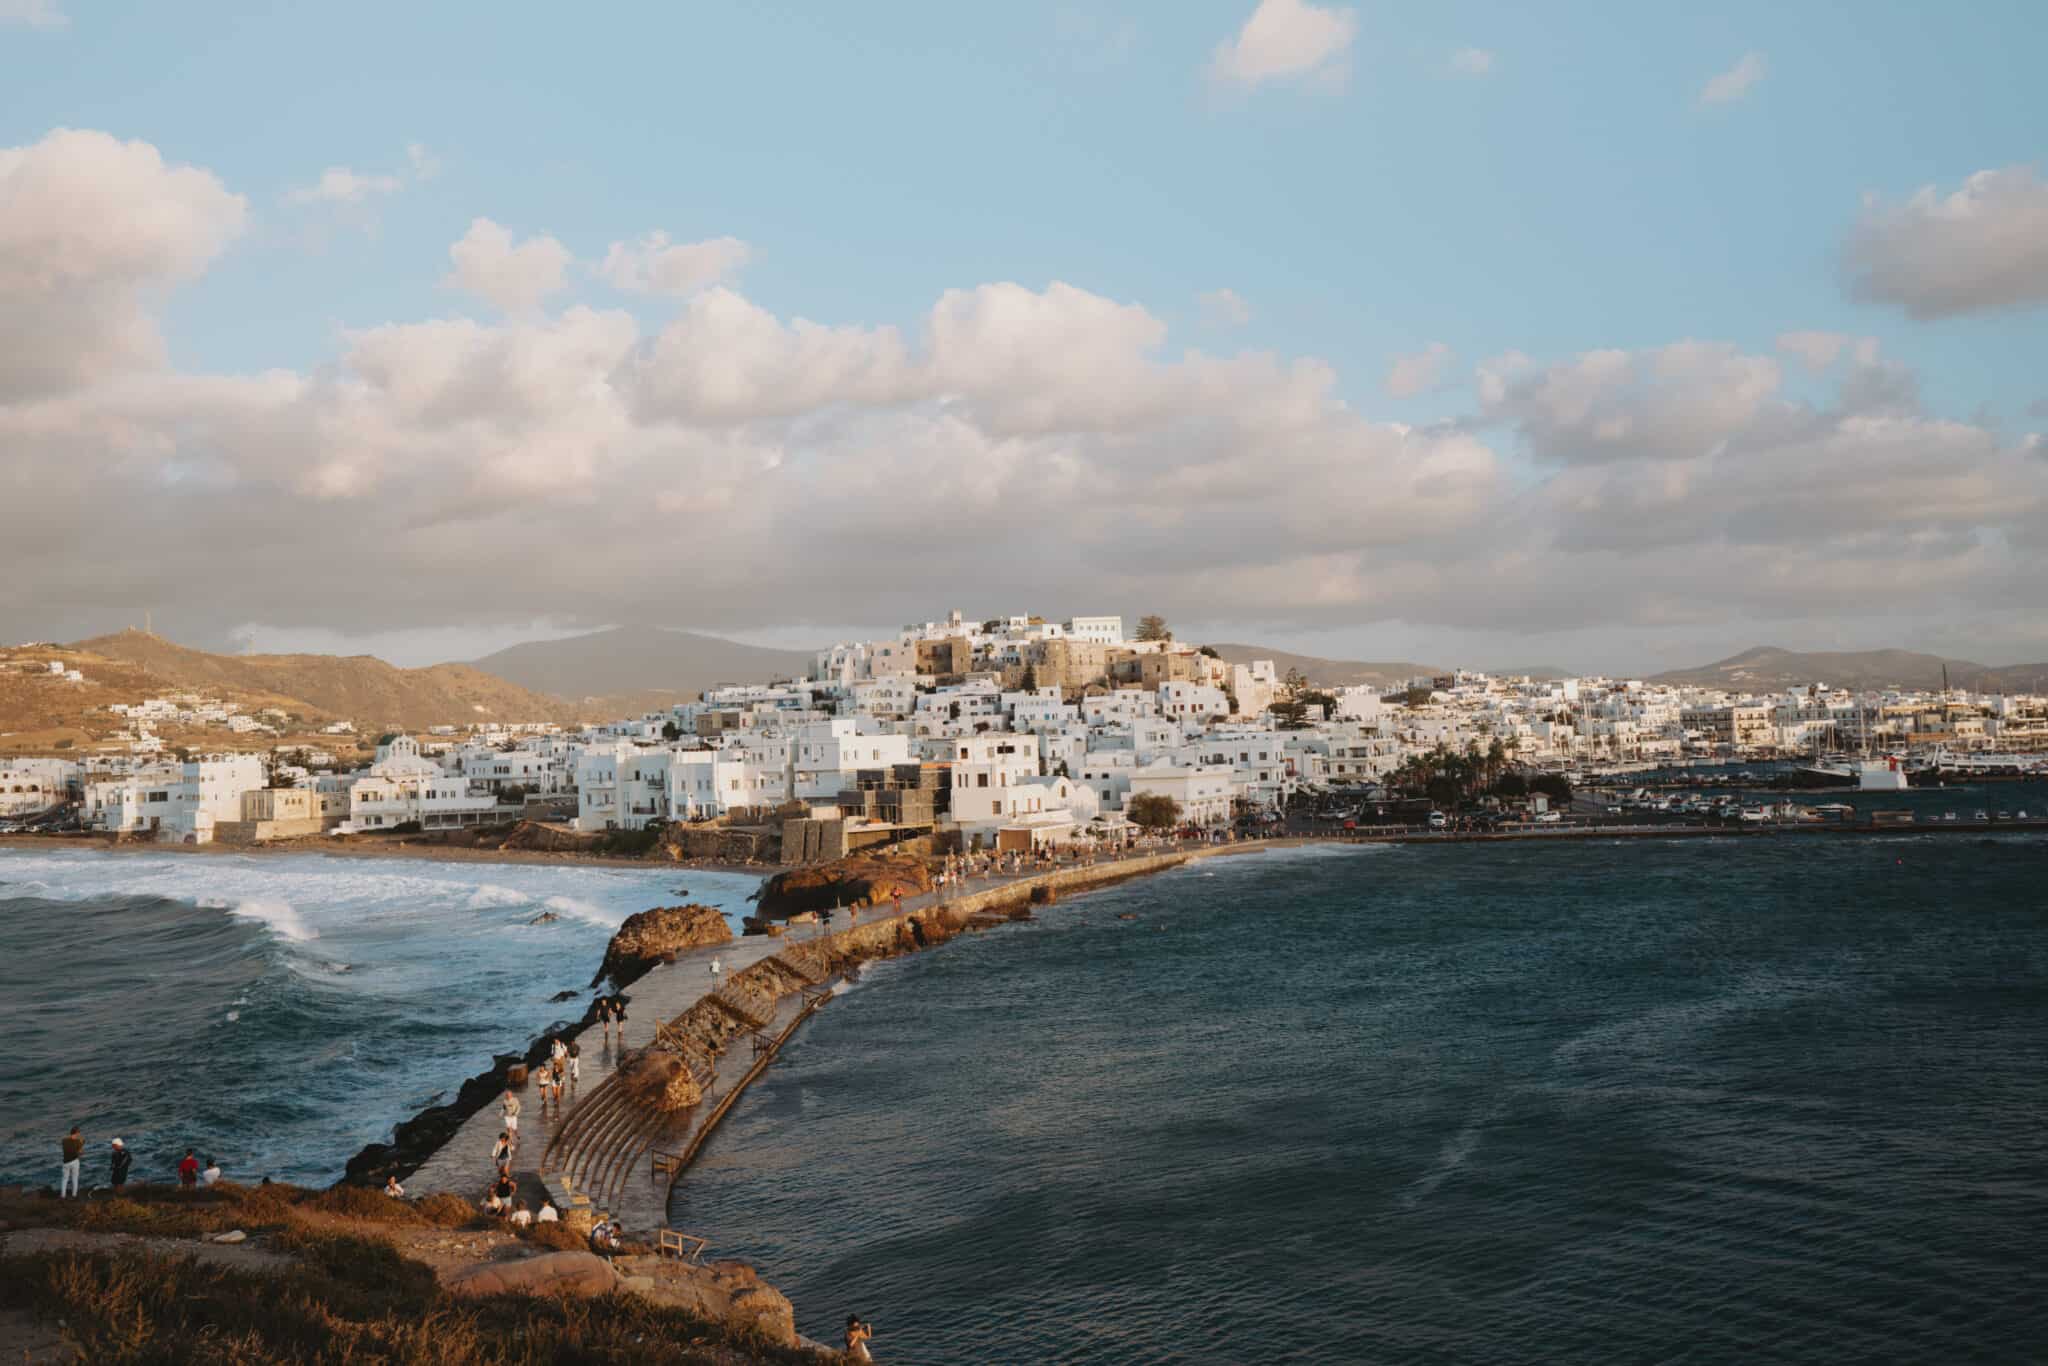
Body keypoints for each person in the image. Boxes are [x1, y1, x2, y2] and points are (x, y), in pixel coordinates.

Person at [60, 1125, 83, 1199]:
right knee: (75, 1179)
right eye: (78, 1133)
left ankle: (63, 1195)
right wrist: (81, 1143)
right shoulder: (78, 1142)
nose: (79, 1135)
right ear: (76, 1133)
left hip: (66, 1162)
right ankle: (74, 1195)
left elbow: (66, 1140)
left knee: (64, 1179)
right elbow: (80, 1152)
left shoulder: (64, 1141)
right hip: (74, 1162)